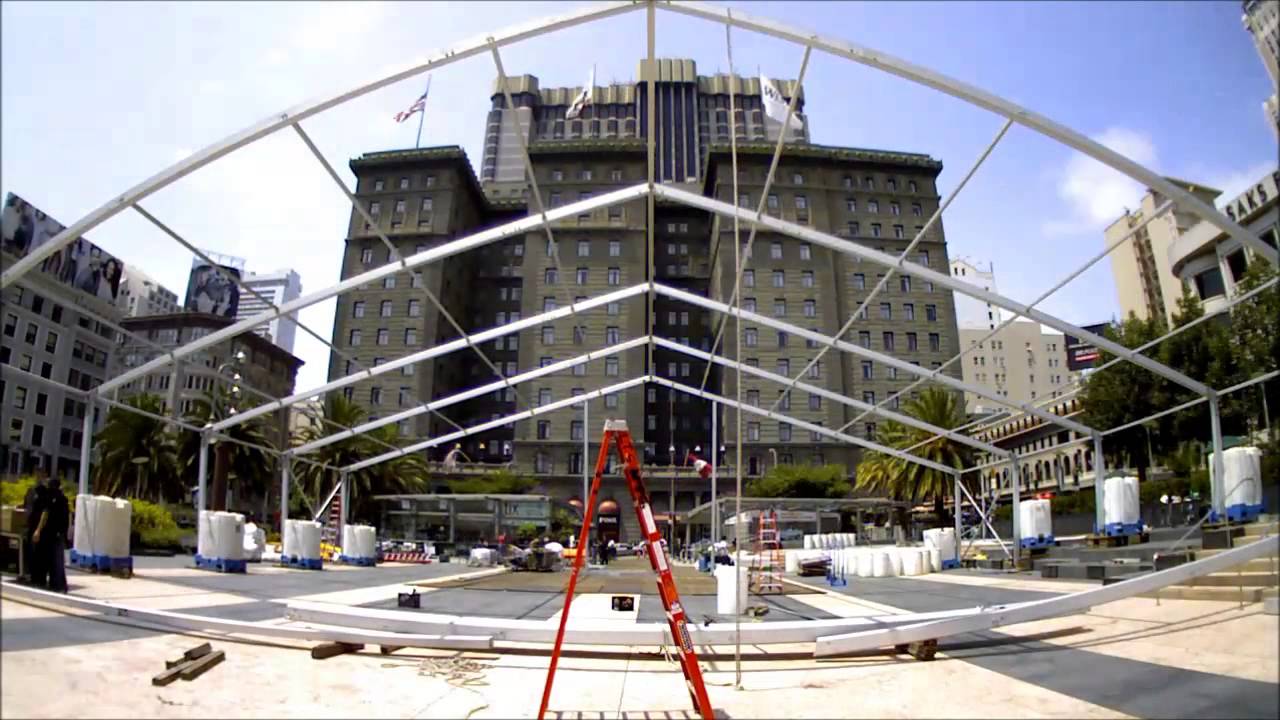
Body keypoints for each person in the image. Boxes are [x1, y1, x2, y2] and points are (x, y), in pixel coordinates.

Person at [34, 476, 70, 593]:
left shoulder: (50, 497)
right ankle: (58, 585)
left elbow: (45, 514)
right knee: (57, 560)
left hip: (49, 533)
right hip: (58, 533)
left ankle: (46, 582)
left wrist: (38, 530)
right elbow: (67, 518)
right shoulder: (63, 498)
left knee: (46, 558)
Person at [19, 469, 48, 585]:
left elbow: (46, 511)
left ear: (44, 476)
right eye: (37, 474)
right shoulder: (30, 490)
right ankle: (29, 575)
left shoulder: (45, 492)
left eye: (41, 475)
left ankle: (37, 578)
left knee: (37, 553)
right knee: (28, 551)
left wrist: (39, 529)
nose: (38, 477)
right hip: (29, 524)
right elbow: (25, 505)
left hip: (38, 527)